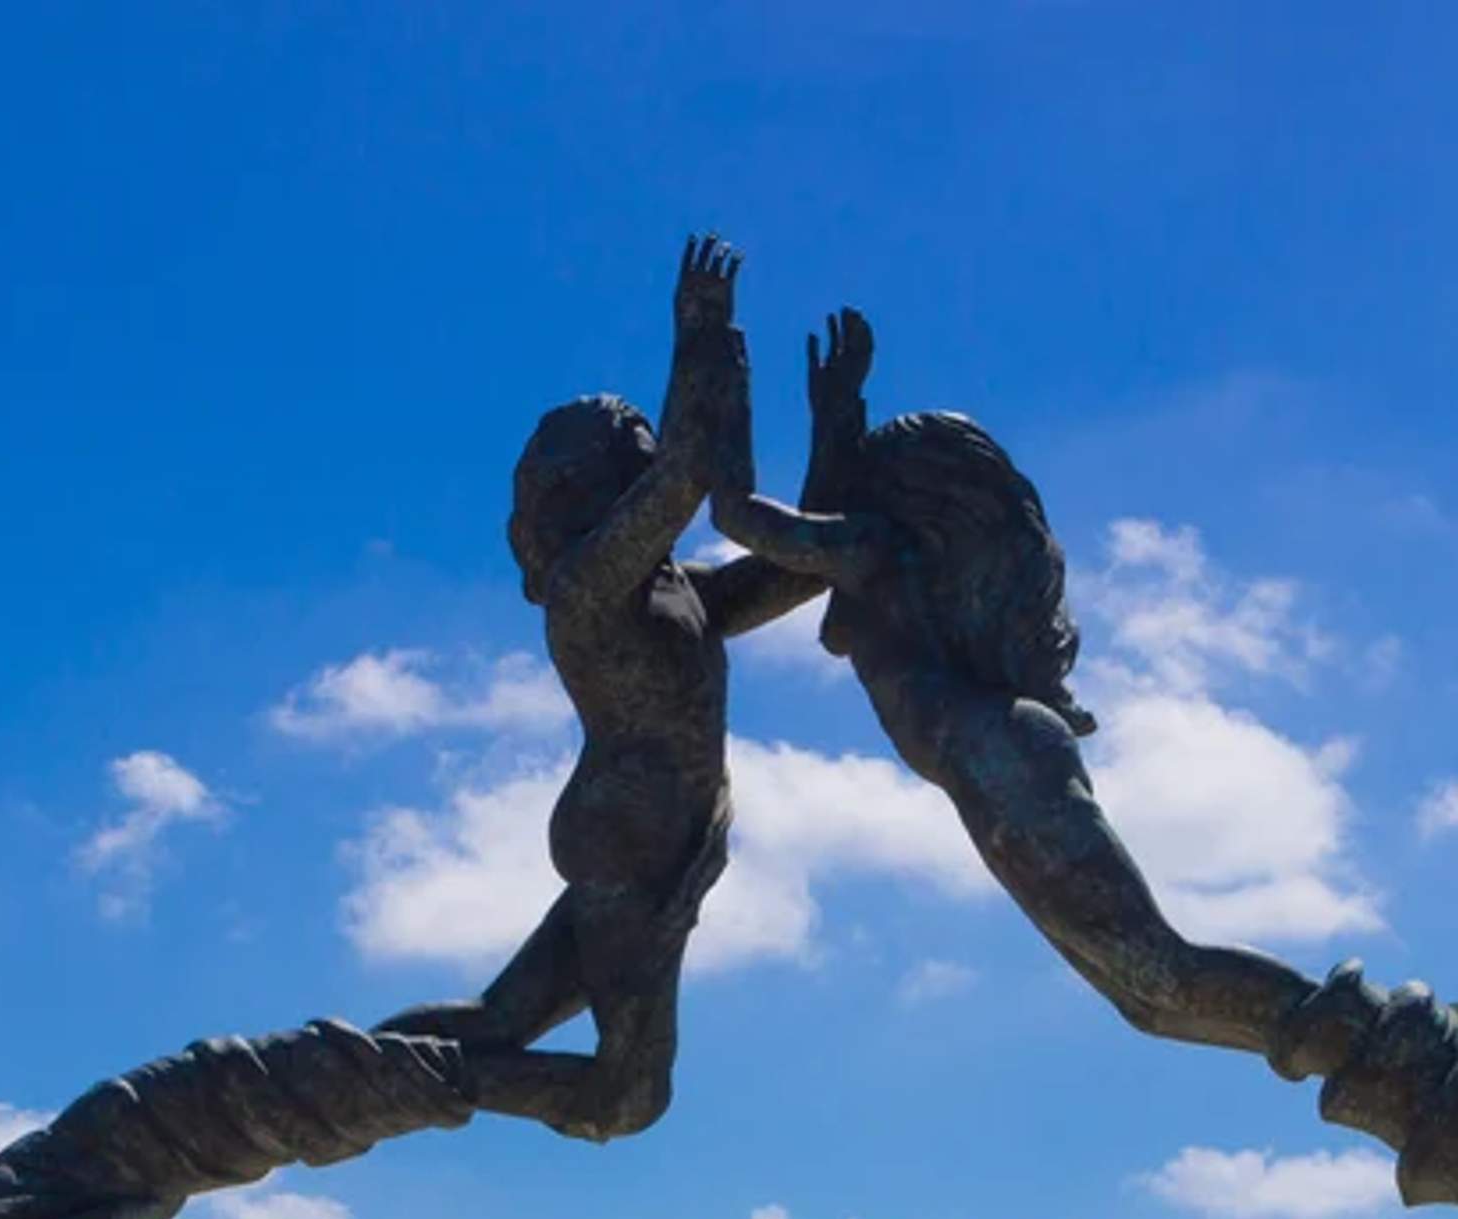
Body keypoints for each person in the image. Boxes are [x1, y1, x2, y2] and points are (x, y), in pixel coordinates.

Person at [703, 306, 1308, 1059]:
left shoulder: (877, 549)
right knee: (1149, 1002)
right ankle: (1355, 1044)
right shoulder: (884, 564)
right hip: (999, 756)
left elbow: (738, 514)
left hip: (1002, 756)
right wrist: (837, 415)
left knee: (1160, 973)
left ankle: (1368, 1038)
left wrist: (714, 350)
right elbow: (820, 540)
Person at [379, 236, 829, 1143]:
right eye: (634, 451)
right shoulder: (589, 589)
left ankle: (351, 1068)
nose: (651, 454)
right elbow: (685, 481)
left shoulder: (683, 592)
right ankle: (386, 1081)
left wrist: (836, 428)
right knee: (628, 1096)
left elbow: (799, 568)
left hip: (652, 846)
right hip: (622, 844)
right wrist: (701, 333)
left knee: (498, 1023)